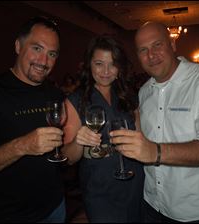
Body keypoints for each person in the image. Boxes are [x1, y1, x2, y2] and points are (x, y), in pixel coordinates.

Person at [110, 21, 199, 223]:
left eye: (157, 45)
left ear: (172, 44)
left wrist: (156, 152)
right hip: (152, 202)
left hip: (194, 208)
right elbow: (143, 142)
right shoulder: (144, 92)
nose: (151, 55)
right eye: (143, 50)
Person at [0, 16, 66, 223]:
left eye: (51, 54)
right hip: (10, 215)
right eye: (37, 48)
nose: (43, 61)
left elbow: (62, 152)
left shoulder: (55, 95)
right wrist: (23, 145)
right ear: (18, 46)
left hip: (55, 207)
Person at [62, 35, 144, 222]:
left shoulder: (128, 97)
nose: (106, 71)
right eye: (99, 63)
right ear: (89, 65)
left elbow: (141, 137)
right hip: (99, 186)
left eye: (112, 64)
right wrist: (78, 141)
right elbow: (68, 157)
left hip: (134, 180)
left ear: (120, 68)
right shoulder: (76, 100)